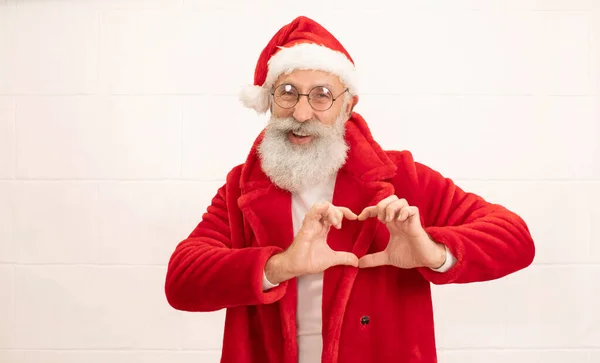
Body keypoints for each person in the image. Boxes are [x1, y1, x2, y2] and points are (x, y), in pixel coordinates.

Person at [164, 15, 535, 363]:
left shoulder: (401, 177)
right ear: (269, 101)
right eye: (288, 92)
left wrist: (432, 252)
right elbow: (181, 281)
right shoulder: (240, 187)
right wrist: (280, 265)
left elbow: (515, 239)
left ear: (347, 105)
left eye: (322, 95)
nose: (302, 113)